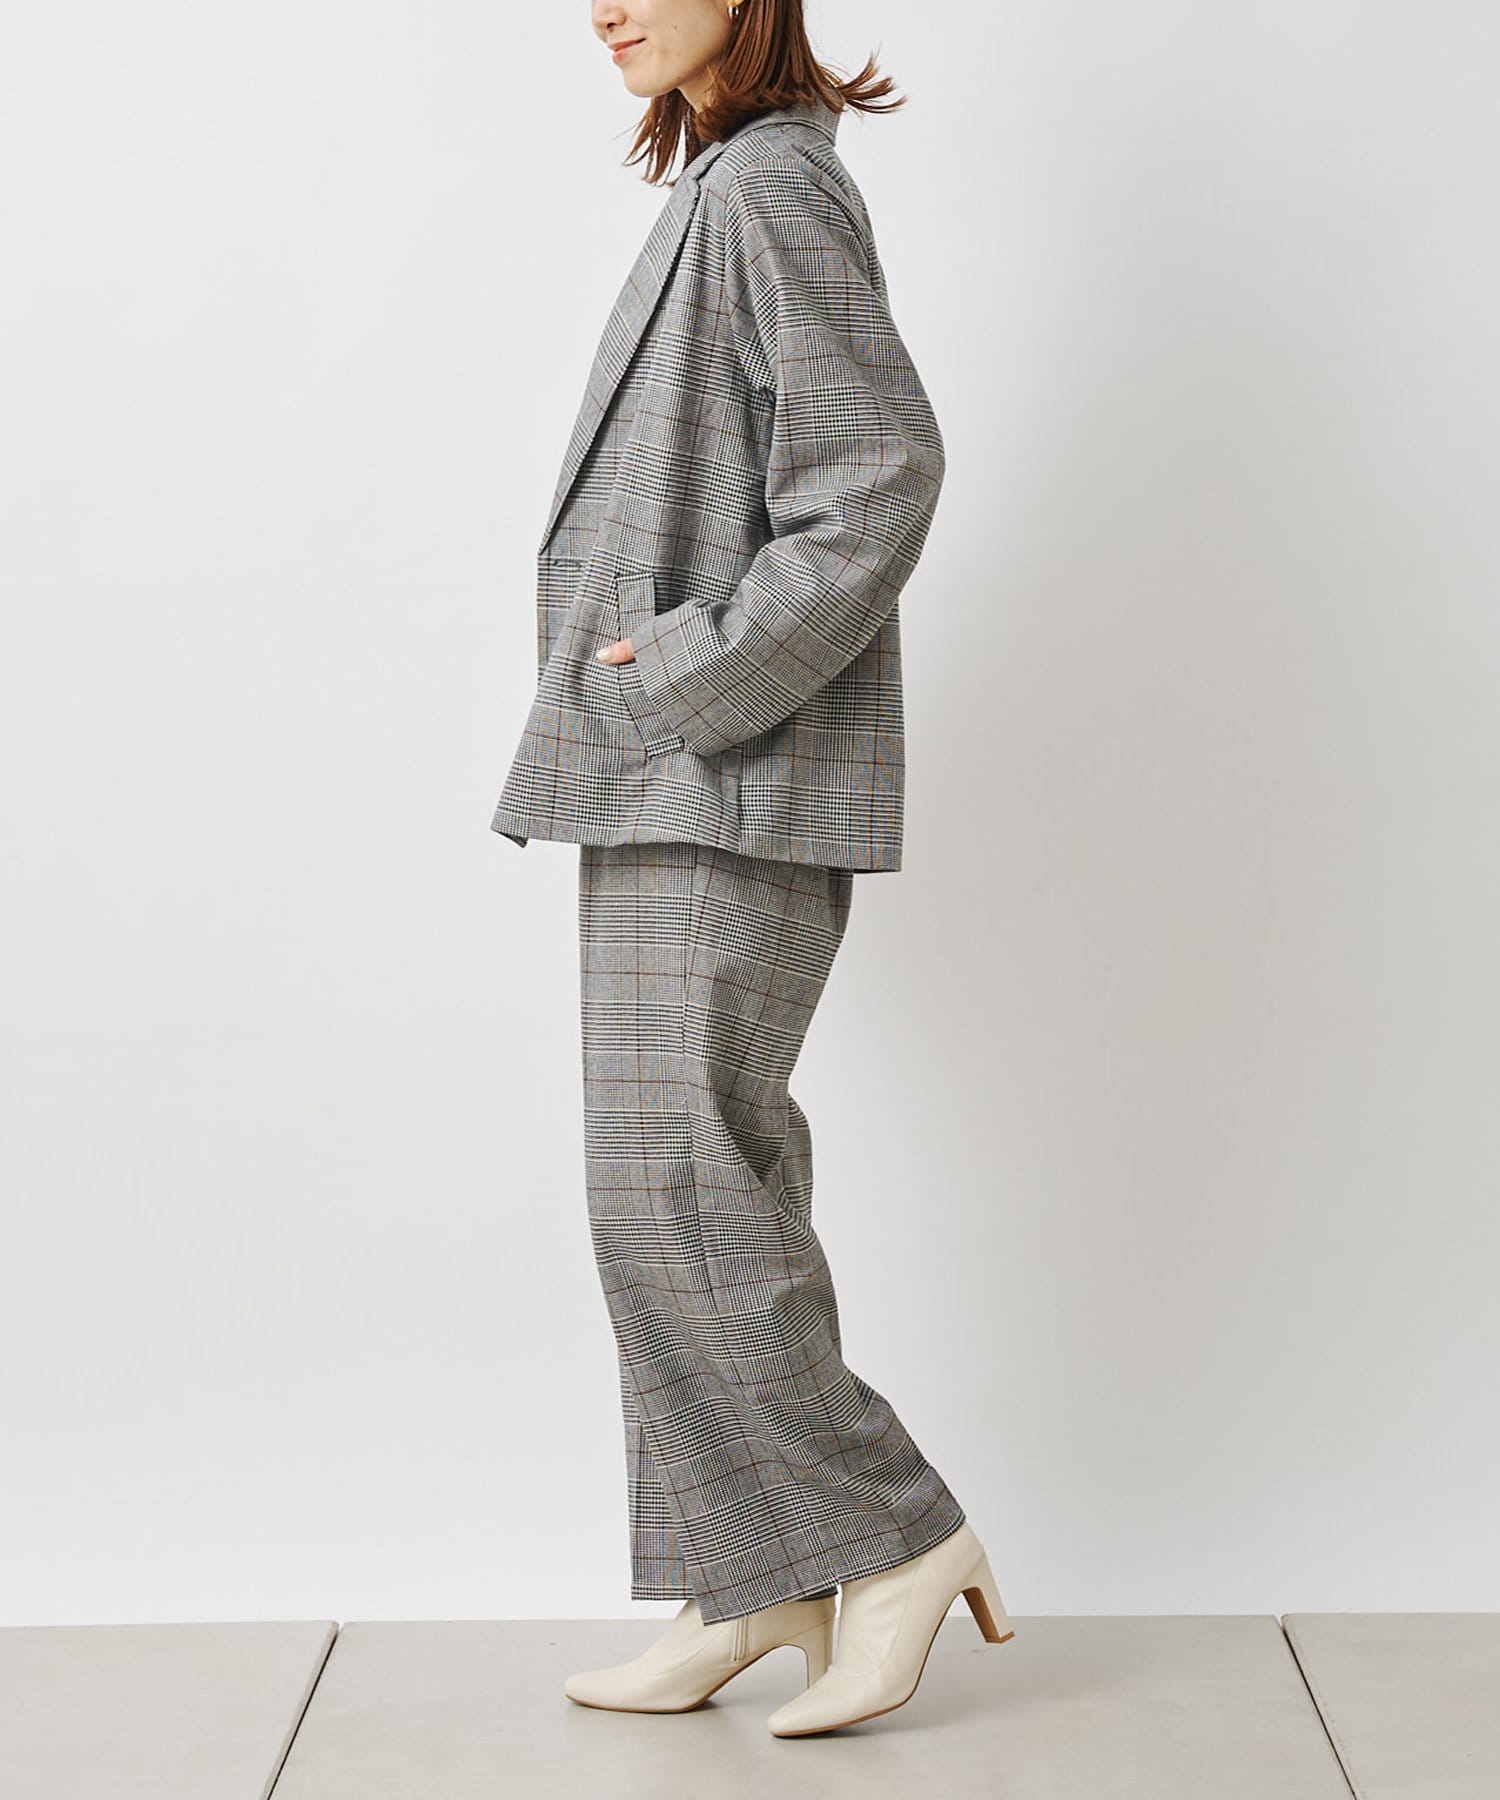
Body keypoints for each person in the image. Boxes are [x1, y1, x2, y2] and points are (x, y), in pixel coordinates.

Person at [488, 0, 1016, 1736]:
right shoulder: (729, 178)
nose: (606, 5)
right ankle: (758, 1573)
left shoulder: (773, 185)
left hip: (728, 767)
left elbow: (879, 473)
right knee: (670, 1186)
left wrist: (686, 668)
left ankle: (897, 1537)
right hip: (670, 775)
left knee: (682, 1185)